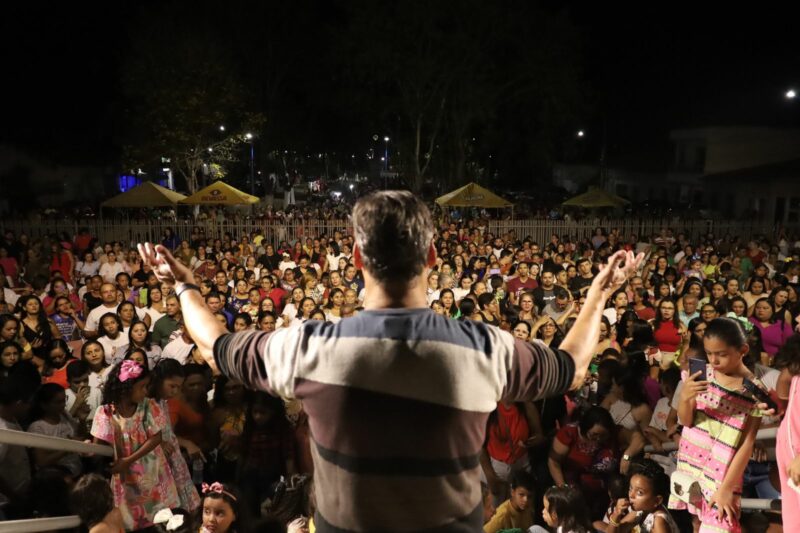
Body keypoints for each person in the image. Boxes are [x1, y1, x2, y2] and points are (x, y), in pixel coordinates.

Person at [137, 190, 643, 531]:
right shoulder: (484, 348)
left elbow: (215, 346)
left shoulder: (309, 347)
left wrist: (183, 285)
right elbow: (572, 366)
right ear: (433, 256)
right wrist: (598, 294)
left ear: (357, 258)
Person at [669, 317, 763, 532]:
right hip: (692, 464)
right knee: (696, 524)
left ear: (743, 350)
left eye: (721, 354)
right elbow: (686, 421)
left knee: (719, 524)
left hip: (723, 473)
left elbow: (747, 444)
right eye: (709, 353)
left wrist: (727, 488)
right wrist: (685, 397)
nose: (714, 360)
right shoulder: (701, 376)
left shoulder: (754, 391)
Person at [91, 360, 182, 530]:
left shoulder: (148, 406)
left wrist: (128, 460)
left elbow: (155, 438)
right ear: (126, 388)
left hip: (152, 471)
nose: (146, 391)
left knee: (160, 520)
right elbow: (98, 444)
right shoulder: (105, 412)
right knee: (132, 521)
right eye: (142, 387)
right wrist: (87, 448)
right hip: (126, 478)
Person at [607, 459, 679, 532]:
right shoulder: (641, 510)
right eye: (630, 488)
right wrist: (616, 514)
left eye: (639, 493)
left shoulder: (658, 521)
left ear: (657, 500)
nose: (631, 495)